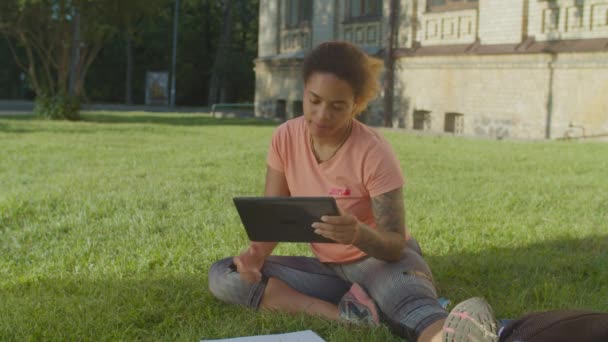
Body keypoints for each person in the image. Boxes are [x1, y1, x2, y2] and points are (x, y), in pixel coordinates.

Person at [208, 41, 500, 342]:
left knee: (409, 306)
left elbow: (394, 245)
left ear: (356, 104)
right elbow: (272, 217)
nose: (322, 115)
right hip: (328, 270)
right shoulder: (285, 138)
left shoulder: (374, 151)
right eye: (314, 100)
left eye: (337, 106)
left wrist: (357, 233)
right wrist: (255, 255)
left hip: (381, 262)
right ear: (304, 90)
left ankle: (450, 337)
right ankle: (348, 316)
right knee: (224, 274)